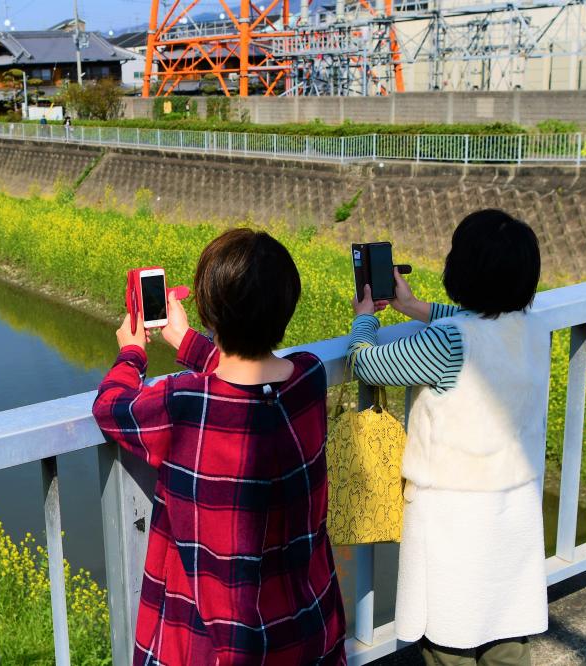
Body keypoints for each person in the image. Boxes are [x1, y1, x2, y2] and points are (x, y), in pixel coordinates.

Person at [93, 229, 346, 665]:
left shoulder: (185, 401)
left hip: (214, 646)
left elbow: (110, 407)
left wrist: (132, 353)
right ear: (287, 306)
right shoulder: (309, 377)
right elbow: (248, 381)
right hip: (304, 631)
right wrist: (187, 342)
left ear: (210, 313)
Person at [349, 209, 547, 666]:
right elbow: (481, 324)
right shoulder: (535, 328)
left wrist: (365, 320)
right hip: (513, 511)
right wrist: (415, 307)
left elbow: (367, 362)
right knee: (507, 633)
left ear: (462, 271)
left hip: (455, 521)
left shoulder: (448, 342)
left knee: (449, 641)